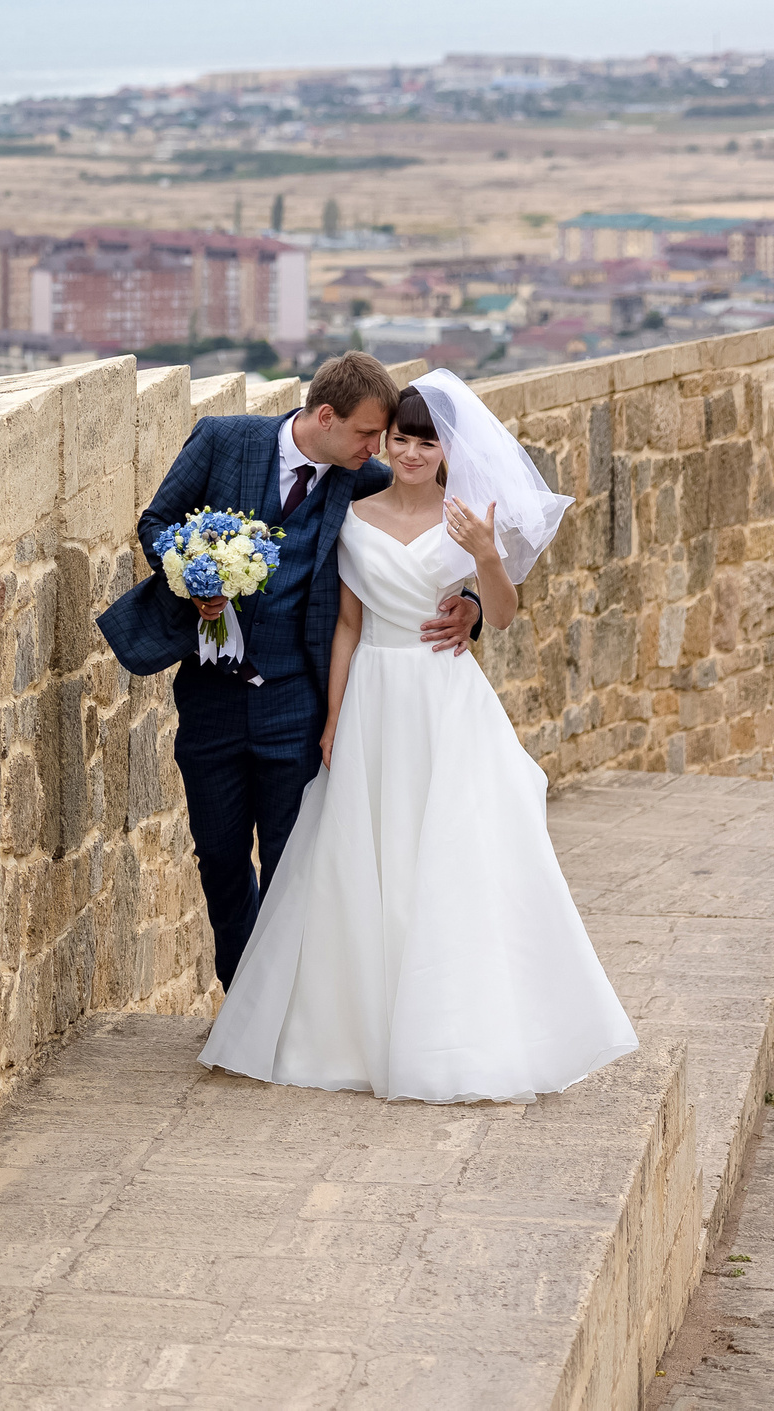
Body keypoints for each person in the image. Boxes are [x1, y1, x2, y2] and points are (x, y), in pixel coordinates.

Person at [198, 373, 635, 1100]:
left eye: (423, 441)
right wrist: (336, 717)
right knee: (367, 853)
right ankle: (354, 1028)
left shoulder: (467, 518)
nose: (405, 450)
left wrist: (485, 560)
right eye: (398, 437)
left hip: (441, 696)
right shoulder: (354, 508)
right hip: (372, 690)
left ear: (446, 450)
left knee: (448, 856)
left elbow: (499, 615)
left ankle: (450, 1030)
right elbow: (346, 623)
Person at [98, 352, 481, 989]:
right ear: (325, 417)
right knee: (218, 854)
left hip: (297, 697)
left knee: (289, 860)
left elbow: (429, 536)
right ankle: (239, 992)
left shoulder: (360, 479)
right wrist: (193, 575)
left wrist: (470, 606)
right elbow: (157, 521)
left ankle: (276, 1012)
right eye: (367, 434)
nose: (378, 449)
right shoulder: (224, 440)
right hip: (211, 691)